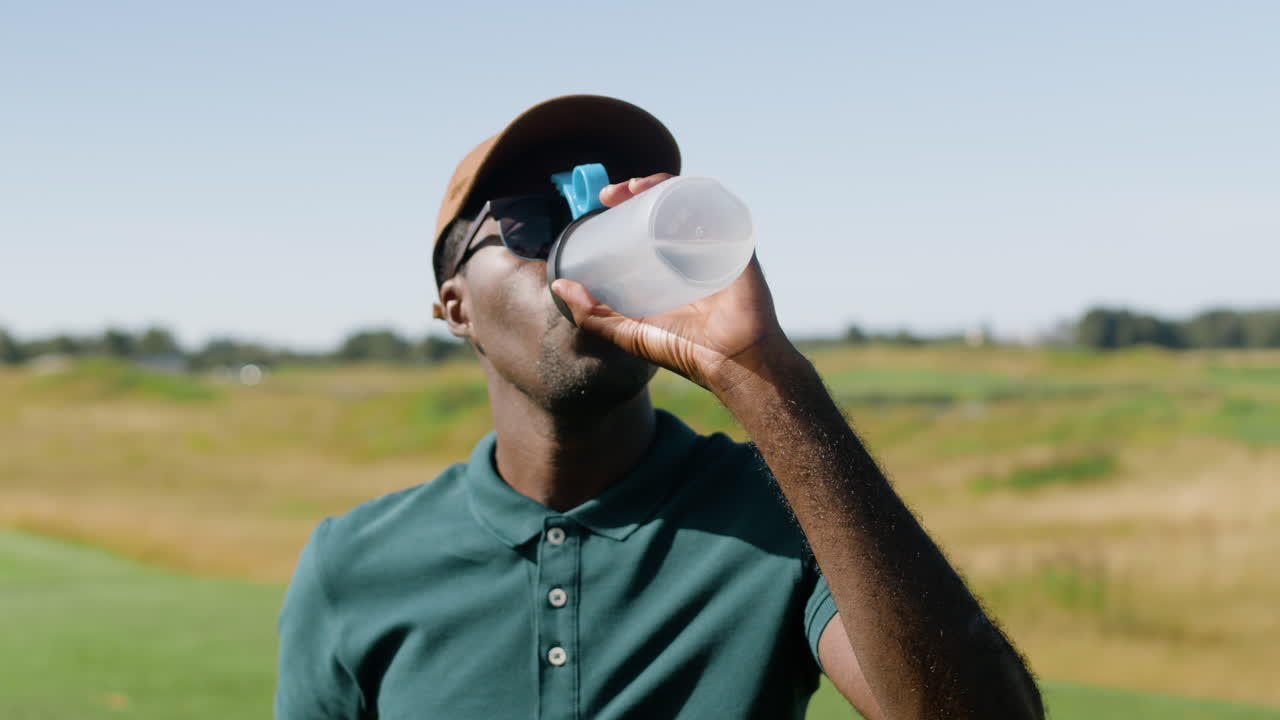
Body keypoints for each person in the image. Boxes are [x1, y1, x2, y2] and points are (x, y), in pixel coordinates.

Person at [275, 95, 1043, 720]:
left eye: (613, 217)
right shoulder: (354, 565)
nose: (587, 242)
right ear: (457, 308)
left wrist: (760, 371)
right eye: (537, 220)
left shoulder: (784, 513)